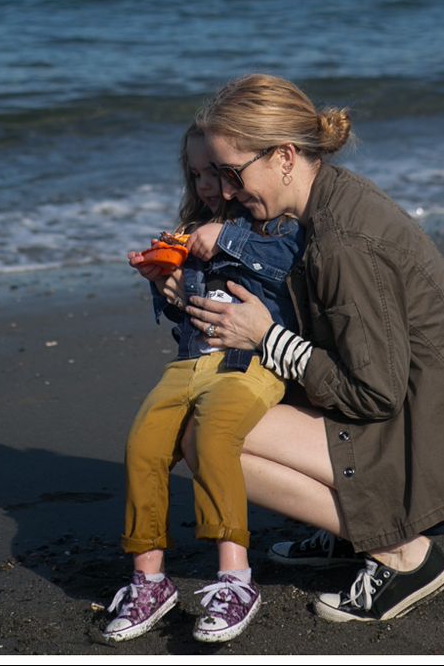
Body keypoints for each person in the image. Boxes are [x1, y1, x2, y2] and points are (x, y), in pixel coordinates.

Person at [183, 73, 444, 624]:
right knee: (230, 410)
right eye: (215, 173)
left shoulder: (341, 243)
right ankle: (350, 533)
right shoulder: (329, 197)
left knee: (208, 436)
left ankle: (403, 554)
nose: (223, 189)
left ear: (285, 156)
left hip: (443, 455)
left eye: (232, 172)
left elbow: (373, 394)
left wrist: (265, 337)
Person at [104, 123, 305, 643]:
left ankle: (235, 578)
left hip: (250, 363)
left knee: (215, 437)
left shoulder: (272, 225)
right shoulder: (193, 229)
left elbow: (288, 272)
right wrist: (165, 285)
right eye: (195, 175)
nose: (207, 185)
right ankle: (149, 580)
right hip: (190, 362)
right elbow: (183, 314)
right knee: (142, 446)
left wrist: (227, 238)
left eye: (215, 172)